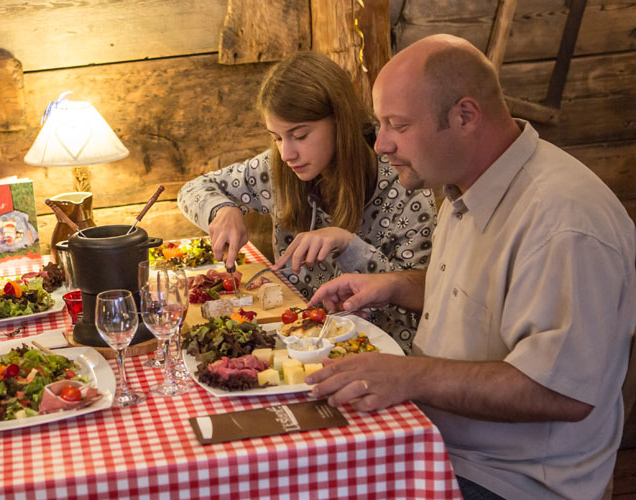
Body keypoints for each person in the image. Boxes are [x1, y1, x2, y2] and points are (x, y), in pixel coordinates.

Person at [307, 34, 636, 500]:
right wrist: (396, 286)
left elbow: (562, 391)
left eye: (397, 125)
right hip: (440, 440)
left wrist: (407, 375)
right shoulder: (465, 184)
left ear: (465, 115)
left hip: (508, 479)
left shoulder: (563, 220)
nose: (380, 145)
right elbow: (494, 297)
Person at [177, 51, 436, 350]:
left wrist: (349, 246)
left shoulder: (405, 184)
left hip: (377, 354)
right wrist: (221, 210)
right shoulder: (276, 169)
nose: (287, 153)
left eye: (299, 135)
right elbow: (193, 189)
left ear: (341, 122)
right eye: (276, 137)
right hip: (297, 342)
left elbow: (419, 304)